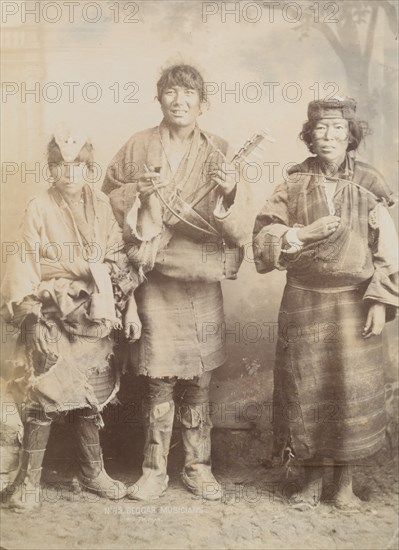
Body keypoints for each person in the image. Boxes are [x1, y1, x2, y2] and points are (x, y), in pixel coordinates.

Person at [102, 63, 253, 501]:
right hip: (153, 278)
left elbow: (241, 229)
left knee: (200, 379)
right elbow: (106, 200)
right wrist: (139, 193)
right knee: (158, 380)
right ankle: (153, 470)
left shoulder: (220, 150)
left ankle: (198, 466)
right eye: (171, 92)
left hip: (201, 279)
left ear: (203, 103)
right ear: (160, 98)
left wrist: (227, 193)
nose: (179, 100)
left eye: (189, 93)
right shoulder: (137, 146)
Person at [253, 98, 398, 510]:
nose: (329, 136)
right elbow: (263, 236)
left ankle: (345, 485)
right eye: (320, 128)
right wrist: (303, 234)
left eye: (337, 128)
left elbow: (387, 248)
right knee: (307, 390)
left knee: (350, 390)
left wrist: (380, 303)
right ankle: (311, 482)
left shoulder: (370, 183)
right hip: (304, 302)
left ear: (351, 135)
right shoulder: (293, 183)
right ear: (309, 136)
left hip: (355, 303)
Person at [1, 124, 142, 512]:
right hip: (51, 314)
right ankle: (28, 483)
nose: (70, 174)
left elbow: (117, 258)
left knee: (89, 398)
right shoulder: (39, 207)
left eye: (78, 166)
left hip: (93, 314)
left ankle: (92, 471)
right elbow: (24, 261)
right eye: (61, 166)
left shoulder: (102, 207)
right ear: (51, 170)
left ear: (89, 169)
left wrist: (117, 294)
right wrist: (28, 315)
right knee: (43, 398)